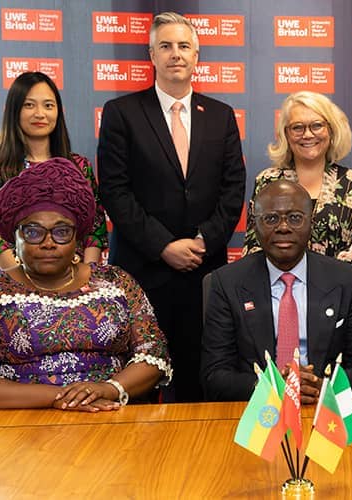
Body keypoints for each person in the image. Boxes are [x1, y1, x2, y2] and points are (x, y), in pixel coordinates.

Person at [97, 12, 246, 402]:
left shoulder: (221, 116)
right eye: (165, 46)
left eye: (183, 46)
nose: (175, 54)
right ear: (152, 55)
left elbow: (233, 191)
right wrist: (164, 246)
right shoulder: (121, 113)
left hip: (204, 274)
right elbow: (115, 191)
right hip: (142, 273)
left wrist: (201, 243)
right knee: (139, 390)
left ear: (197, 56)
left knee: (199, 387)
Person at [0, 158, 172, 411]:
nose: (48, 242)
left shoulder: (116, 282)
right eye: (33, 232)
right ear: (15, 238)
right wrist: (63, 397)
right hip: (19, 426)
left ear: (77, 239)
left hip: (111, 417)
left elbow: (154, 357)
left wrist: (108, 388)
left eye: (62, 231)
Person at [202, 180, 352, 402]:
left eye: (295, 218)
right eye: (271, 218)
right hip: (257, 413)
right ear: (255, 224)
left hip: (325, 411)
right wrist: (272, 387)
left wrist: (319, 388)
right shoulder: (227, 282)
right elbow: (214, 375)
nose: (283, 227)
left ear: (311, 222)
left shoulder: (347, 280)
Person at [0, 71, 107, 269]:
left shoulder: (79, 166)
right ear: (14, 111)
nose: (40, 113)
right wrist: (23, 281)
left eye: (48, 105)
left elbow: (95, 226)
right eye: (29, 105)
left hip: (75, 280)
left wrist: (86, 273)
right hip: (18, 284)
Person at [243, 91, 352, 280]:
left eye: (317, 125)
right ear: (286, 134)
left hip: (337, 294)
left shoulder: (351, 183)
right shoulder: (268, 181)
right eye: (297, 127)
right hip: (280, 293)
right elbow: (253, 248)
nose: (307, 134)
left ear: (331, 129)